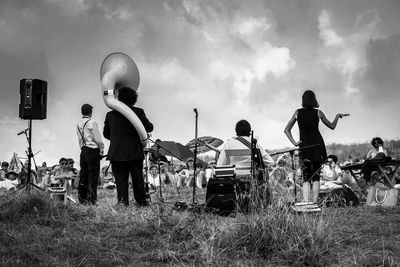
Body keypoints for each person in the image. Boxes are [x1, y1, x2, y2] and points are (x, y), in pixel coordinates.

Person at [284, 90, 349, 203]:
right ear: (314, 100)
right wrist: (337, 116)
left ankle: (306, 203)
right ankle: (314, 204)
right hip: (317, 146)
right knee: (316, 177)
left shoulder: (297, 113)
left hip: (304, 147)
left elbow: (286, 130)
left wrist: (294, 143)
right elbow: (332, 126)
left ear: (303, 100)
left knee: (306, 177)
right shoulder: (318, 113)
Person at [103, 87, 154, 207]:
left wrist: (118, 140)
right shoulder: (138, 112)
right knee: (137, 179)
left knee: (120, 180)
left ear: (119, 98)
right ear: (134, 99)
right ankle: (141, 202)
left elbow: (106, 134)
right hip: (134, 151)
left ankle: (122, 202)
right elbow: (150, 127)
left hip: (116, 152)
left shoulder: (110, 115)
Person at [76, 103, 105, 205]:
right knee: (93, 176)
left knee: (83, 175)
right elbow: (97, 138)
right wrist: (101, 147)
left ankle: (82, 198)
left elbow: (79, 139)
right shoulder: (92, 122)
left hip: (83, 150)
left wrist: (82, 148)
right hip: (92, 150)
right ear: (90, 112)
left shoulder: (78, 124)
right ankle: (92, 200)